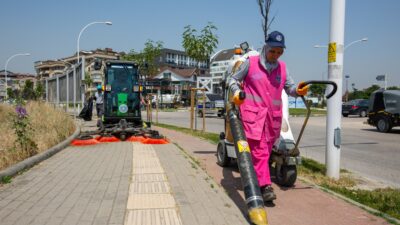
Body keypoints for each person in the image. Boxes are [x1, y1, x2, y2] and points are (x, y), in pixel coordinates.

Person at [227, 31, 309, 202]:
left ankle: (257, 178)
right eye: (273, 51)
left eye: (280, 52)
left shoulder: (283, 68)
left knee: (265, 150)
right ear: (266, 47)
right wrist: (236, 92)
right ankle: (265, 187)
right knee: (260, 151)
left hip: (273, 119)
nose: (276, 55)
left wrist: (298, 91)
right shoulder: (251, 63)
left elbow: (290, 88)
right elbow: (232, 80)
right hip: (253, 116)